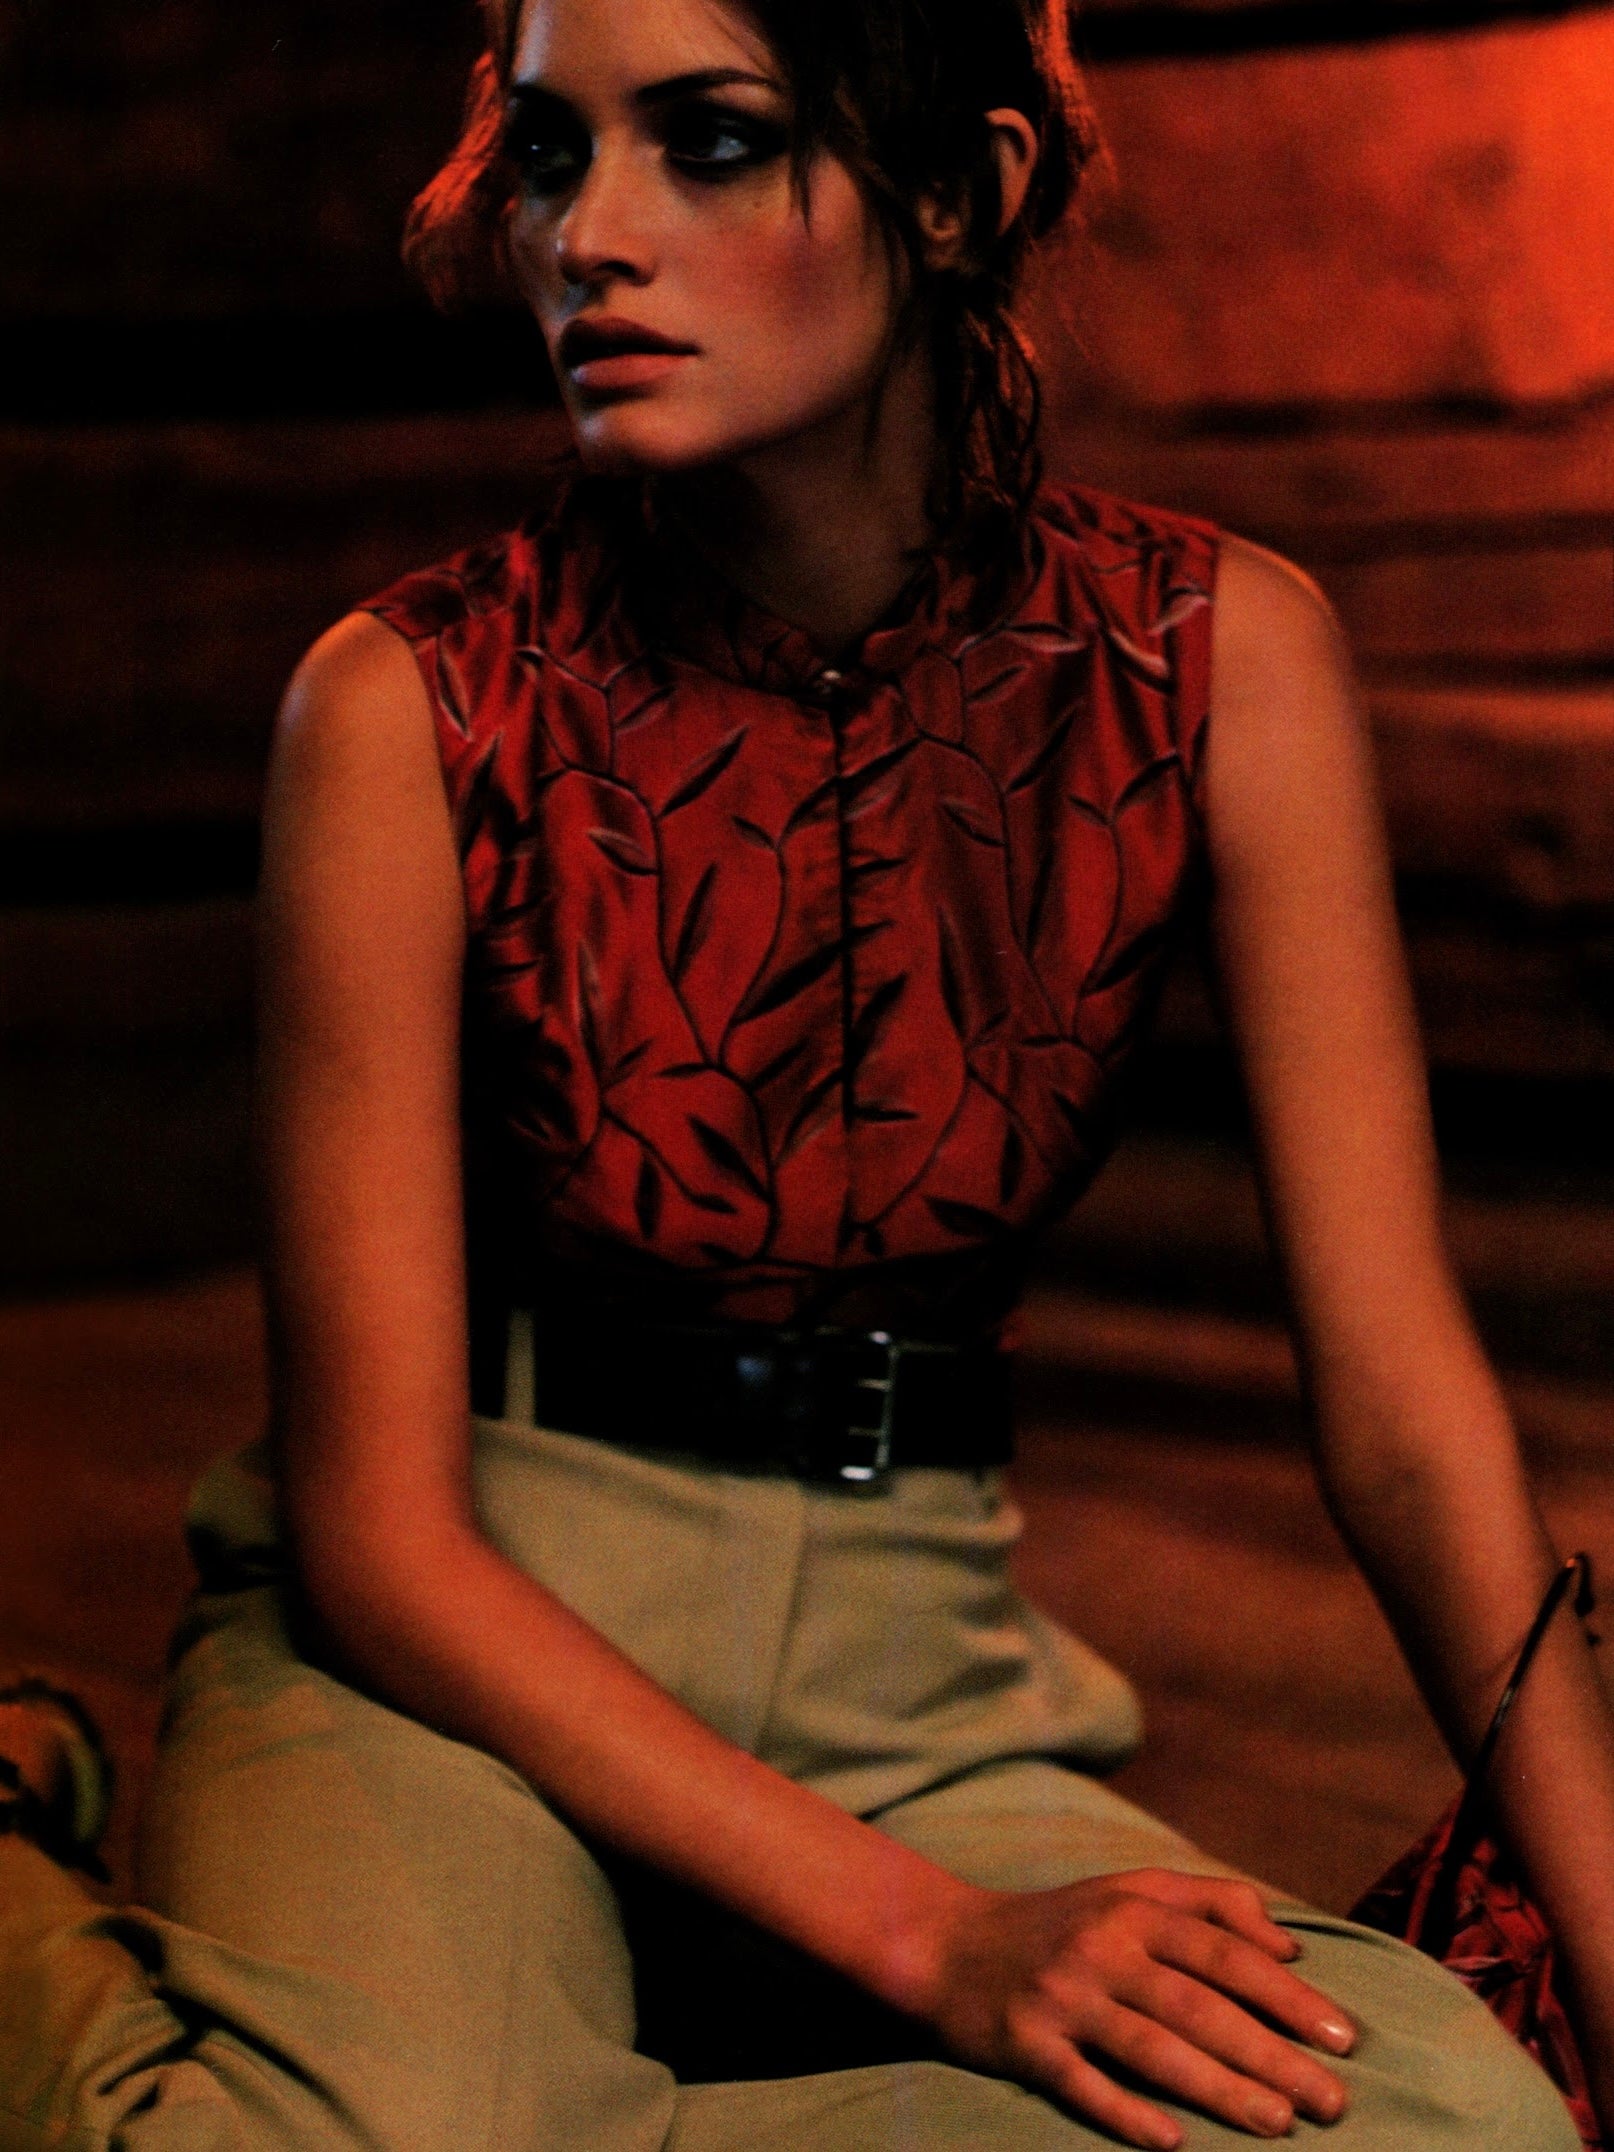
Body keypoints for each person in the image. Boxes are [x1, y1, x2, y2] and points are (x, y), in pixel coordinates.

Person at [4, 0, 1614, 2145]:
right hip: (453, 1632)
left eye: (711, 140)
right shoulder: (403, 708)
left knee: (1453, 2127)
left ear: (962, 190)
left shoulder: (1219, 656)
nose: (592, 234)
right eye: (552, 154)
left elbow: (1404, 1412)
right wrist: (943, 1947)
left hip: (914, 1656)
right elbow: (377, 1537)